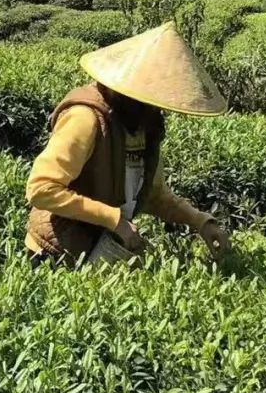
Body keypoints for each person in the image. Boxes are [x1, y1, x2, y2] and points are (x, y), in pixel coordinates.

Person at [26, 22, 232, 266]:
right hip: (57, 251)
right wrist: (114, 220)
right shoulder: (86, 118)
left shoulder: (144, 125)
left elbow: (154, 196)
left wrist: (201, 222)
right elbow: (41, 189)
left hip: (101, 248)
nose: (159, 109)